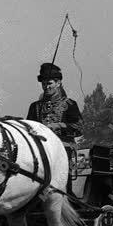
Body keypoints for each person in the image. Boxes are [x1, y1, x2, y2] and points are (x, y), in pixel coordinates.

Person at [26, 62, 84, 193]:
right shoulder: (35, 106)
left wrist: (56, 126)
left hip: (63, 150)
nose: (46, 87)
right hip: (41, 151)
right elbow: (29, 127)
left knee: (62, 187)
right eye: (44, 84)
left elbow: (79, 128)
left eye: (49, 83)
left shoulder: (69, 104)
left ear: (58, 83)